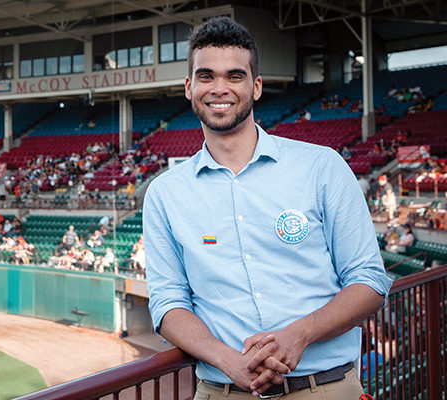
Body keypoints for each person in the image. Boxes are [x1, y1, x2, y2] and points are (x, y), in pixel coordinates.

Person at [143, 16, 392, 399]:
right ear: (189, 87)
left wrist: (299, 335)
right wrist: (228, 360)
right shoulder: (165, 194)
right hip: (222, 390)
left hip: (324, 388)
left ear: (256, 87)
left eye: (235, 76)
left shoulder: (321, 167)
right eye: (206, 76)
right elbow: (168, 302)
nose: (219, 88)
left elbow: (369, 281)